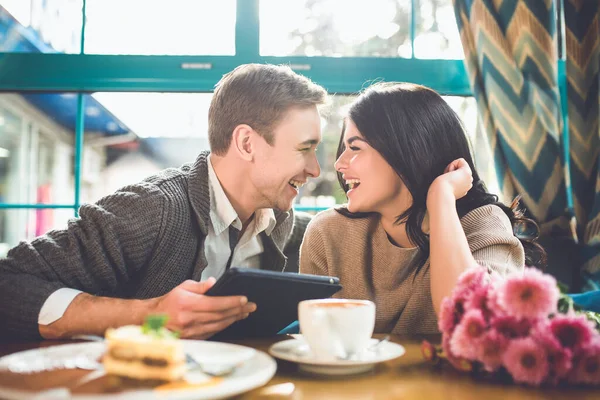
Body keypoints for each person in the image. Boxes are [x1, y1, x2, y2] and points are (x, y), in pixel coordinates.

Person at [0, 63, 327, 341]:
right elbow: (7, 284)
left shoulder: (282, 220)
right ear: (246, 143)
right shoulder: (150, 209)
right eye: (304, 148)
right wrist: (147, 314)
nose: (315, 169)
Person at [299, 82, 544, 335]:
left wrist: (441, 198)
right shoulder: (328, 233)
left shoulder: (484, 224)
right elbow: (313, 340)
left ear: (408, 150)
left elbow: (470, 323)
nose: (339, 164)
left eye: (355, 148)